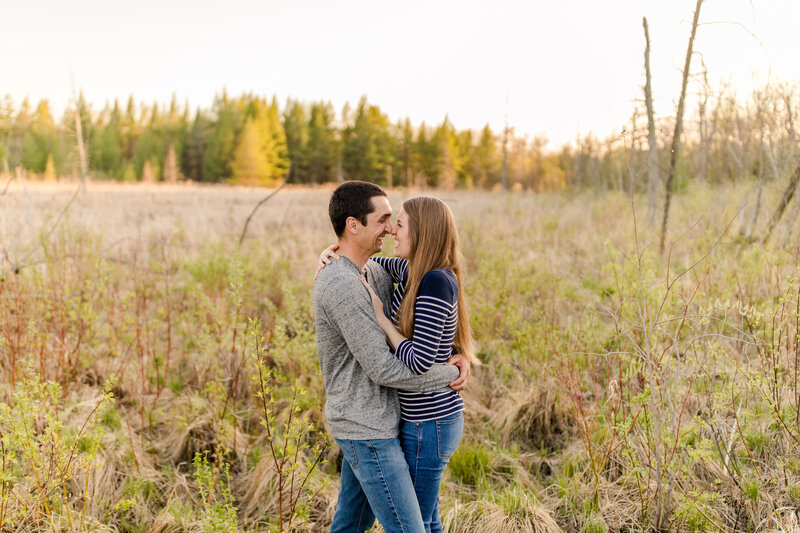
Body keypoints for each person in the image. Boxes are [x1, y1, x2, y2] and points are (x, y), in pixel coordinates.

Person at [313, 181, 471, 533]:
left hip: (387, 421)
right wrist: (450, 372)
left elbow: (432, 306)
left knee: (353, 522)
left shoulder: (375, 271)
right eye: (384, 219)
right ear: (354, 225)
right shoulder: (342, 283)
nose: (390, 228)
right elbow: (385, 368)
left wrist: (335, 249)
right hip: (366, 426)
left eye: (396, 222)